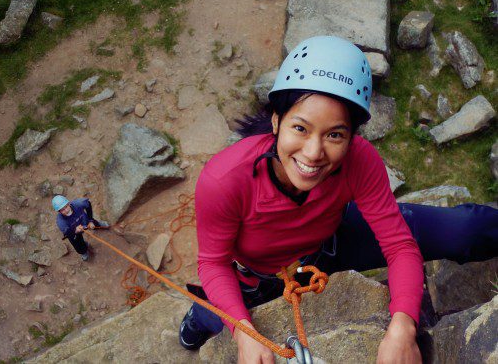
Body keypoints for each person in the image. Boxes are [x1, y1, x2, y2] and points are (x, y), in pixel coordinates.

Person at [177, 35, 498, 363]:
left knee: (464, 230)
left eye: (335, 135)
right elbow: (213, 262)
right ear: (276, 121)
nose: (314, 153)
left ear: (351, 137)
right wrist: (243, 330)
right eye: (300, 128)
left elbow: (399, 246)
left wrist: (403, 325)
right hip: (255, 275)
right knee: (213, 313)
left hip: (327, 242)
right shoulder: (226, 178)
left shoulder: (359, 160)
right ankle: (200, 319)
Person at [52, 195, 109, 261]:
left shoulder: (78, 204)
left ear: (69, 203)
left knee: (93, 223)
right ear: (59, 211)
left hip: (85, 221)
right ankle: (83, 251)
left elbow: (88, 204)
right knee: (77, 243)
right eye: (62, 210)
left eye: (66, 206)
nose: (66, 210)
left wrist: (90, 220)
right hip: (74, 231)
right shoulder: (61, 222)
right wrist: (75, 231)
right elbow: (69, 233)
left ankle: (98, 225)